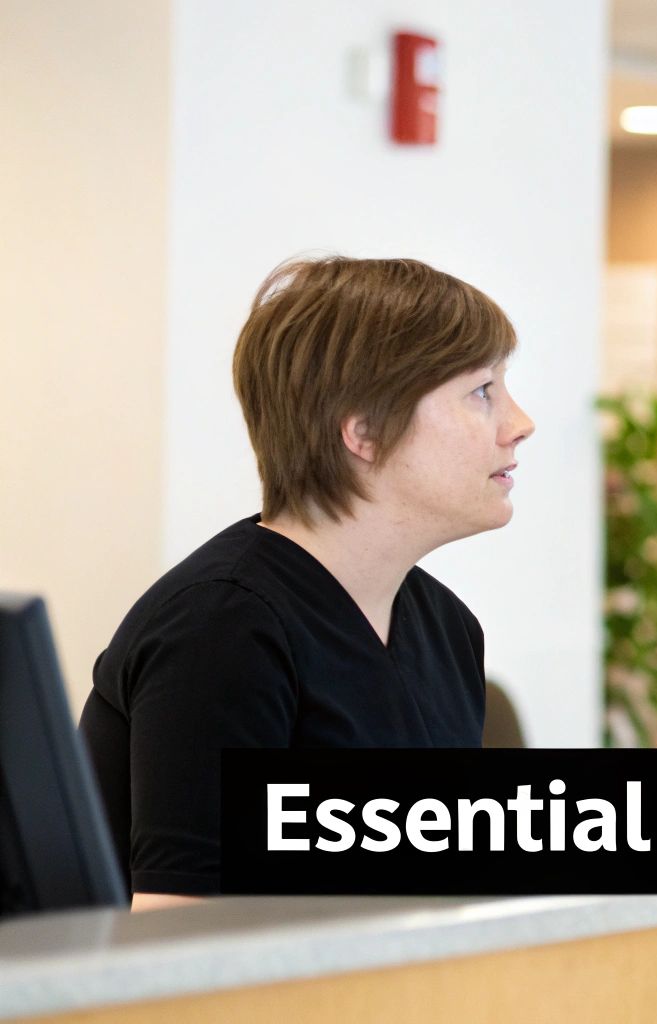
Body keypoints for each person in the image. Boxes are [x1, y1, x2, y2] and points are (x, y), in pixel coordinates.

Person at [79, 256, 535, 908]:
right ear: (366, 432)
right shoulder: (223, 628)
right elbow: (180, 948)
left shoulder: (447, 629)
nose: (519, 422)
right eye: (482, 391)